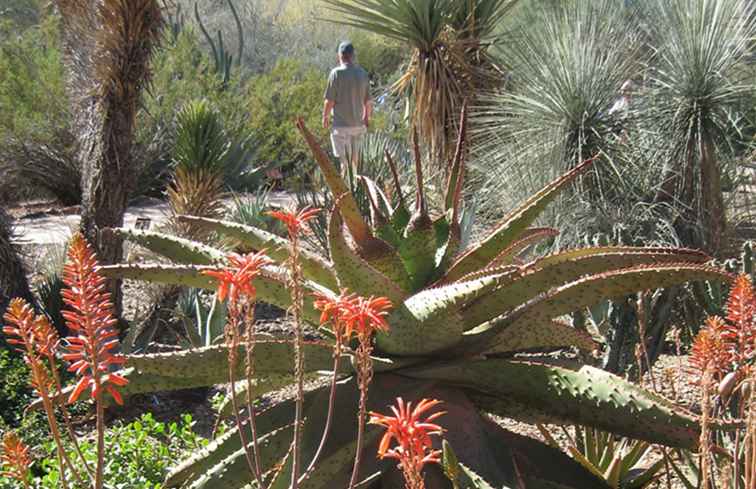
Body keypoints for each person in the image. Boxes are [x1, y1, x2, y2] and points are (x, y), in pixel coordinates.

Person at [322, 41, 371, 173]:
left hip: (341, 127)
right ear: (353, 55)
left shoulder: (336, 74)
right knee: (354, 164)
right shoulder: (362, 74)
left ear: (340, 56)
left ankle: (346, 191)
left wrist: (325, 117)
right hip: (358, 126)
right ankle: (353, 189)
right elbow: (367, 101)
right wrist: (367, 118)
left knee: (345, 163)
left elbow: (329, 101)